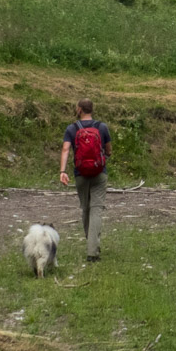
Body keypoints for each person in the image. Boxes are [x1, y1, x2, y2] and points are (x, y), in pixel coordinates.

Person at [58, 99, 111, 261]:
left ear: (79, 109)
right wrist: (104, 157)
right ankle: (92, 251)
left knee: (85, 209)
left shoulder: (71, 129)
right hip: (99, 173)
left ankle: (92, 244)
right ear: (91, 110)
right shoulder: (102, 127)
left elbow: (66, 149)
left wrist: (63, 171)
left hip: (80, 174)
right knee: (96, 209)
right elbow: (109, 150)